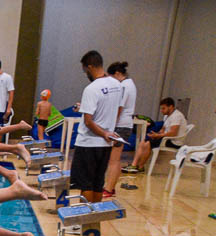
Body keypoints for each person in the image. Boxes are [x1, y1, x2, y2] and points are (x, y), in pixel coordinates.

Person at [69, 51, 123, 202]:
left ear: (90, 67)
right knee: (98, 183)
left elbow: (88, 121)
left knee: (85, 184)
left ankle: (84, 220)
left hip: (89, 143)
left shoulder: (92, 88)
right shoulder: (116, 85)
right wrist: (108, 131)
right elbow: (117, 108)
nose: (86, 74)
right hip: (105, 144)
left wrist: (103, 133)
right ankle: (94, 221)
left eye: (85, 70)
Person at [124, 100, 185, 174]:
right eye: (161, 108)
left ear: (171, 107)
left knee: (148, 143)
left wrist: (158, 136)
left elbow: (173, 133)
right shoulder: (167, 116)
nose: (161, 111)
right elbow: (163, 129)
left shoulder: (177, 116)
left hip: (174, 141)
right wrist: (155, 134)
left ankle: (138, 166)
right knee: (144, 141)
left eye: (163, 108)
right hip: (166, 138)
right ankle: (136, 165)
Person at [103, 62, 135, 196]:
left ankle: (109, 189)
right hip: (125, 124)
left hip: (121, 125)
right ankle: (111, 186)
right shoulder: (130, 84)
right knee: (115, 159)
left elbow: (119, 107)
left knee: (113, 160)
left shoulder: (124, 86)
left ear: (117, 74)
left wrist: (111, 125)